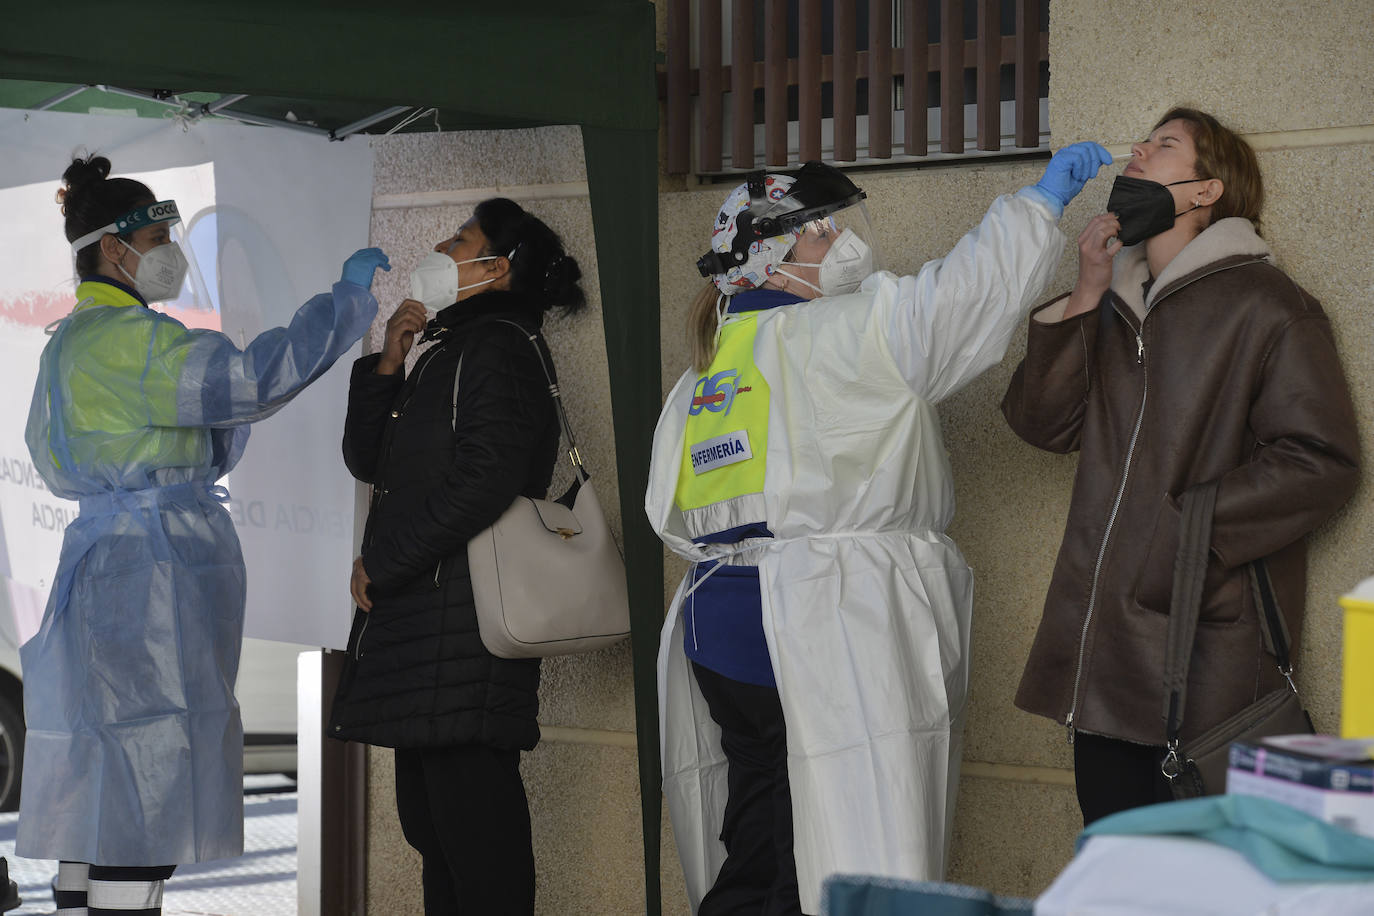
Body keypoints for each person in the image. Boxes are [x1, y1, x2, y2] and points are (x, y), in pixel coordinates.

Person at [646, 145, 1112, 916]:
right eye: (820, 231)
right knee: (842, 838)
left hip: (720, 626)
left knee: (763, 828)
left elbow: (674, 511)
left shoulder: (709, 373)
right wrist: (1036, 204)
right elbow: (960, 299)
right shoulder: (837, 334)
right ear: (769, 257)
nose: (844, 240)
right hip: (820, 624)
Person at [22, 155, 388, 916]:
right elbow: (248, 383)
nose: (168, 252)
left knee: (99, 779)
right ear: (114, 248)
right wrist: (346, 303)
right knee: (147, 788)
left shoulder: (69, 343)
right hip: (151, 576)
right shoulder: (129, 342)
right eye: (156, 236)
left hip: (101, 566)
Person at [1002, 108, 1360, 826]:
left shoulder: (1268, 305)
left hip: (1204, 655)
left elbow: (1322, 459)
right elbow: (1043, 425)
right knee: (1118, 873)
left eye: (1164, 145)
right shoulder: (1111, 307)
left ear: (1208, 190)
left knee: (1207, 885)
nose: (1138, 151)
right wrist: (1088, 289)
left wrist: (1190, 526)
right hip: (1100, 661)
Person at [327, 198, 586, 916]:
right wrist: (387, 363)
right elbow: (367, 458)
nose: (440, 245)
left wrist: (385, 562)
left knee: (478, 842)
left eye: (459, 239)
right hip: (427, 625)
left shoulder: (498, 347)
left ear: (497, 269)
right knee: (434, 831)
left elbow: (485, 483)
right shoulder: (450, 346)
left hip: (463, 624)